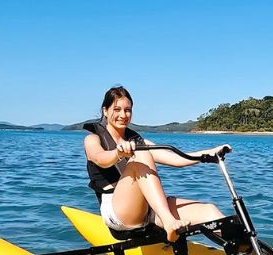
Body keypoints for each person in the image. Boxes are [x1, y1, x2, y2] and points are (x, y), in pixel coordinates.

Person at [84, 86, 229, 242]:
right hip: (118, 213)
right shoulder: (93, 139)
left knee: (210, 212)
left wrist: (209, 153)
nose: (123, 115)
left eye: (127, 110)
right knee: (141, 152)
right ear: (105, 111)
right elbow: (100, 158)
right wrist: (118, 153)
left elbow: (176, 159)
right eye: (117, 109)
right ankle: (169, 222)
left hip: (148, 210)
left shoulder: (137, 141)